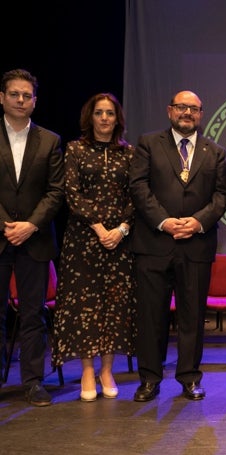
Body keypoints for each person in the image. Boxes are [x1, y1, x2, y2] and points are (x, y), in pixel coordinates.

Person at [129, 90, 226, 401]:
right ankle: (149, 378)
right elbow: (138, 186)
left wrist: (198, 221)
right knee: (151, 315)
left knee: (193, 316)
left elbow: (222, 196)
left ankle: (189, 377)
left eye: (194, 109)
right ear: (170, 110)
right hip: (154, 242)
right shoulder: (148, 143)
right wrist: (164, 221)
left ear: (201, 114)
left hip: (196, 245)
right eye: (181, 107)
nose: (187, 113)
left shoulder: (216, 152)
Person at [52, 93, 136, 402]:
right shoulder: (75, 150)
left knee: (113, 306)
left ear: (117, 119)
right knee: (84, 307)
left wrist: (122, 229)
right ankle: (87, 370)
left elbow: (135, 196)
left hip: (120, 241)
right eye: (99, 113)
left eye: (109, 113)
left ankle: (107, 370)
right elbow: (71, 193)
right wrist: (101, 229)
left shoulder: (130, 154)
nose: (104, 118)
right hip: (83, 240)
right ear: (91, 117)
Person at [0, 68, 64, 406]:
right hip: (0, 237)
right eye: (15, 94)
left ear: (35, 101)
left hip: (35, 241)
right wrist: (7, 225)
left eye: (27, 95)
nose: (21, 100)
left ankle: (33, 382)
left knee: (33, 314)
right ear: (2, 97)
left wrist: (29, 225)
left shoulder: (50, 141)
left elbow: (56, 192)